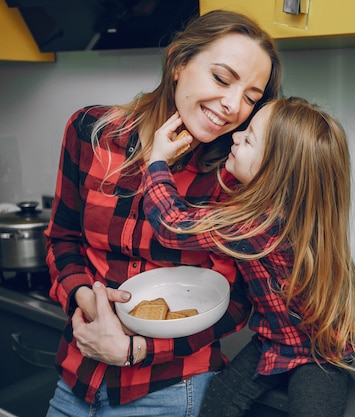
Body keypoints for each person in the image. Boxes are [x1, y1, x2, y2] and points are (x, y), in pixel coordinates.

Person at [44, 10, 282, 417]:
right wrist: (88, 300)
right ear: (178, 64)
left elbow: (241, 299)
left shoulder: (239, 173)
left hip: (172, 392)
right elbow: (63, 238)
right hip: (76, 380)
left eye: (251, 97)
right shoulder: (92, 132)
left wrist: (136, 349)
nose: (232, 106)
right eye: (222, 79)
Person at [142, 97, 355, 417]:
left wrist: (157, 162)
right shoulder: (294, 208)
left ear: (274, 171)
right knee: (218, 405)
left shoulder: (260, 224)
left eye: (248, 138)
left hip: (317, 356)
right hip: (273, 340)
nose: (235, 137)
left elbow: (171, 226)